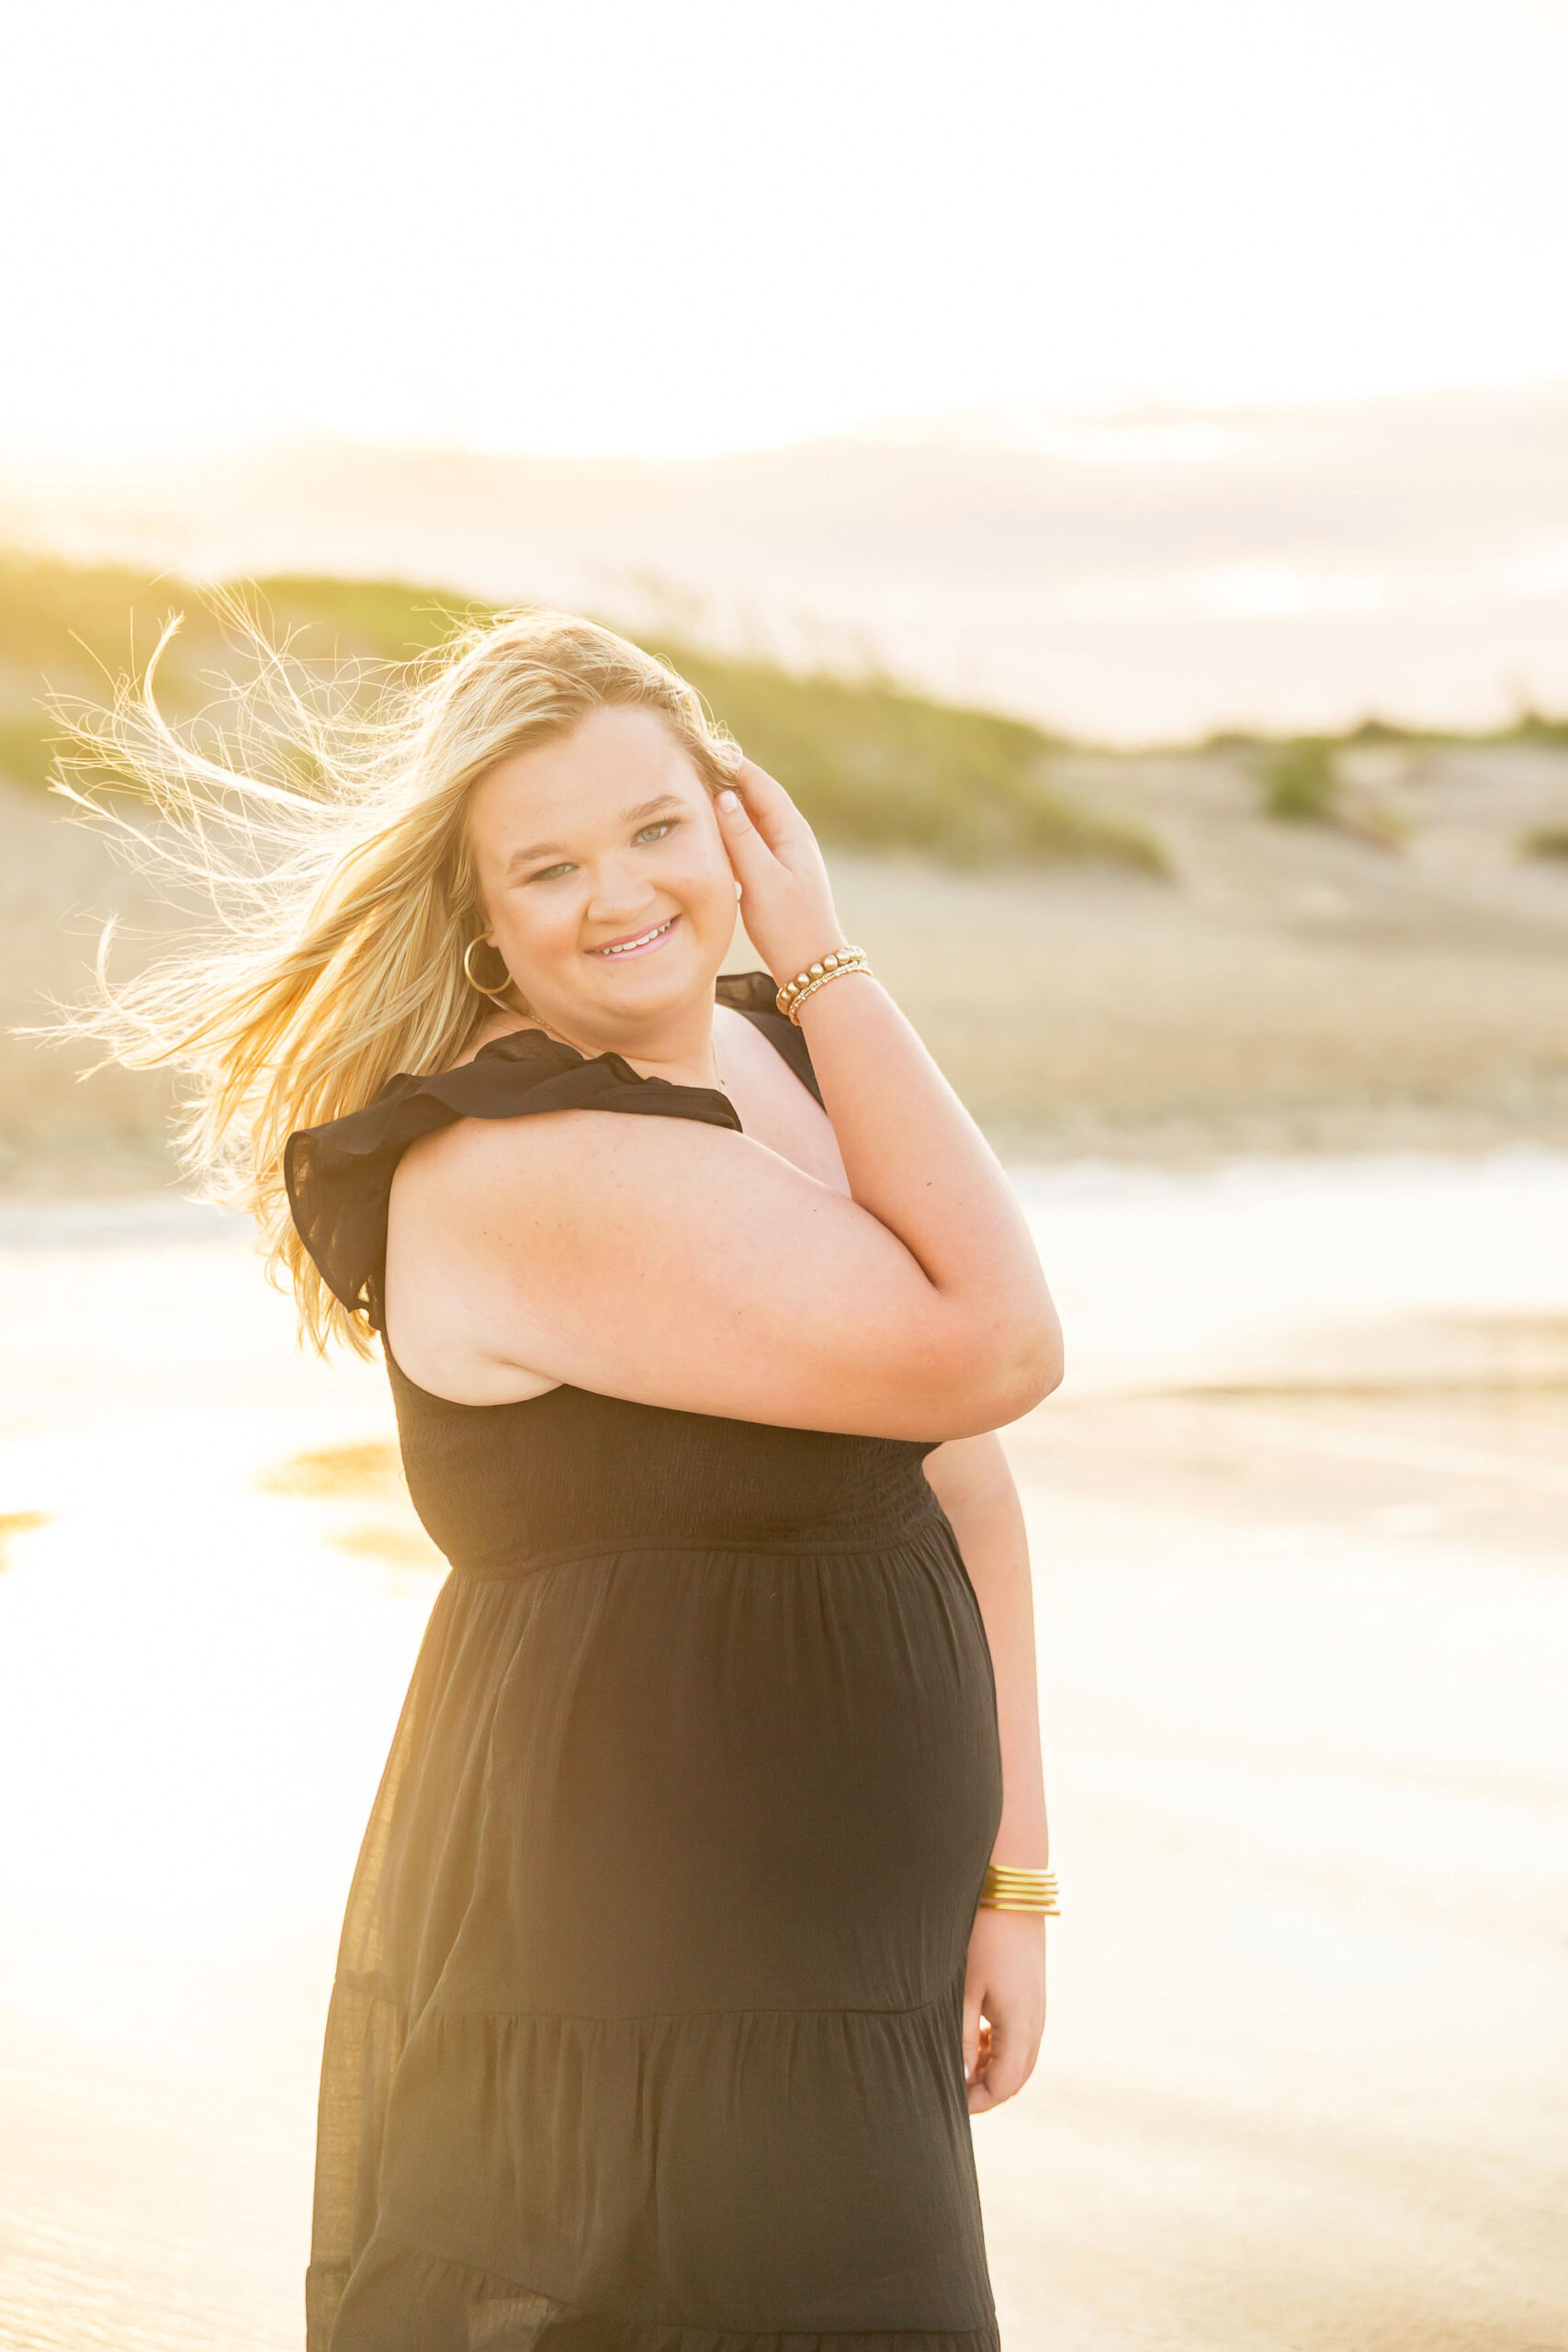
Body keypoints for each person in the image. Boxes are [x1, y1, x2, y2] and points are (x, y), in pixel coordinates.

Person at [57, 608, 1063, 2350]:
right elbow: (998, 1344)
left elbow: (967, 1477)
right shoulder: (524, 1160)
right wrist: (828, 950)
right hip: (632, 1989)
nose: (623, 896)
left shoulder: (780, 1060)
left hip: (834, 1972)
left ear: (736, 819)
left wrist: (1014, 1881)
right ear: (483, 914)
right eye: (550, 865)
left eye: (660, 829)